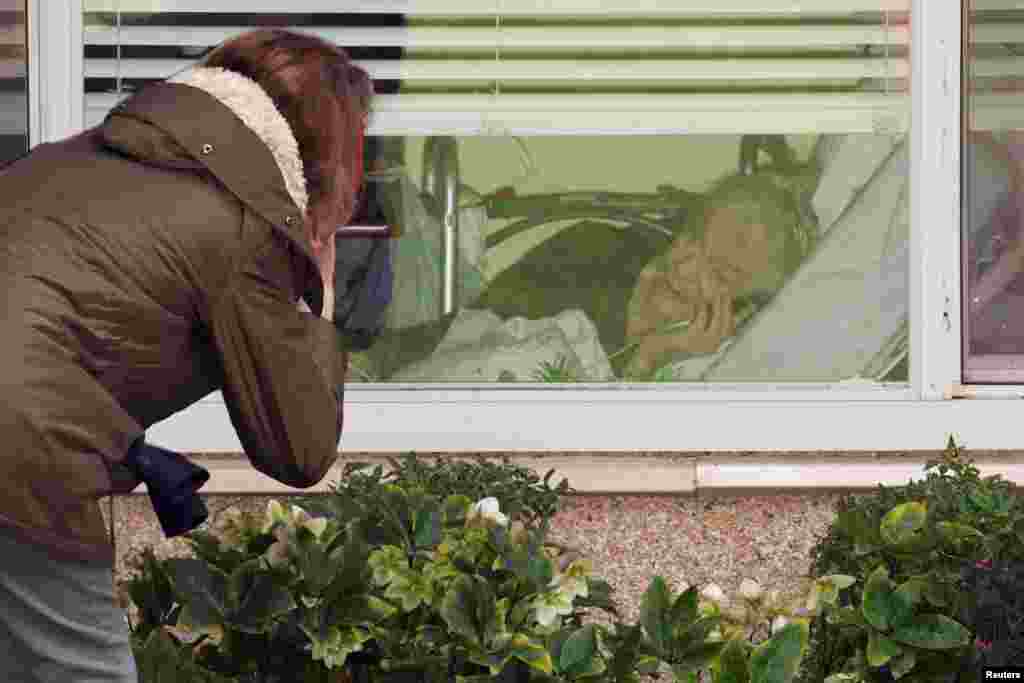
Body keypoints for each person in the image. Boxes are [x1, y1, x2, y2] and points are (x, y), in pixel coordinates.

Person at [0, 28, 374, 682]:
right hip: (18, 447)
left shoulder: (71, 162)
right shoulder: (242, 228)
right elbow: (298, 446)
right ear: (329, 160)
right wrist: (320, 280)